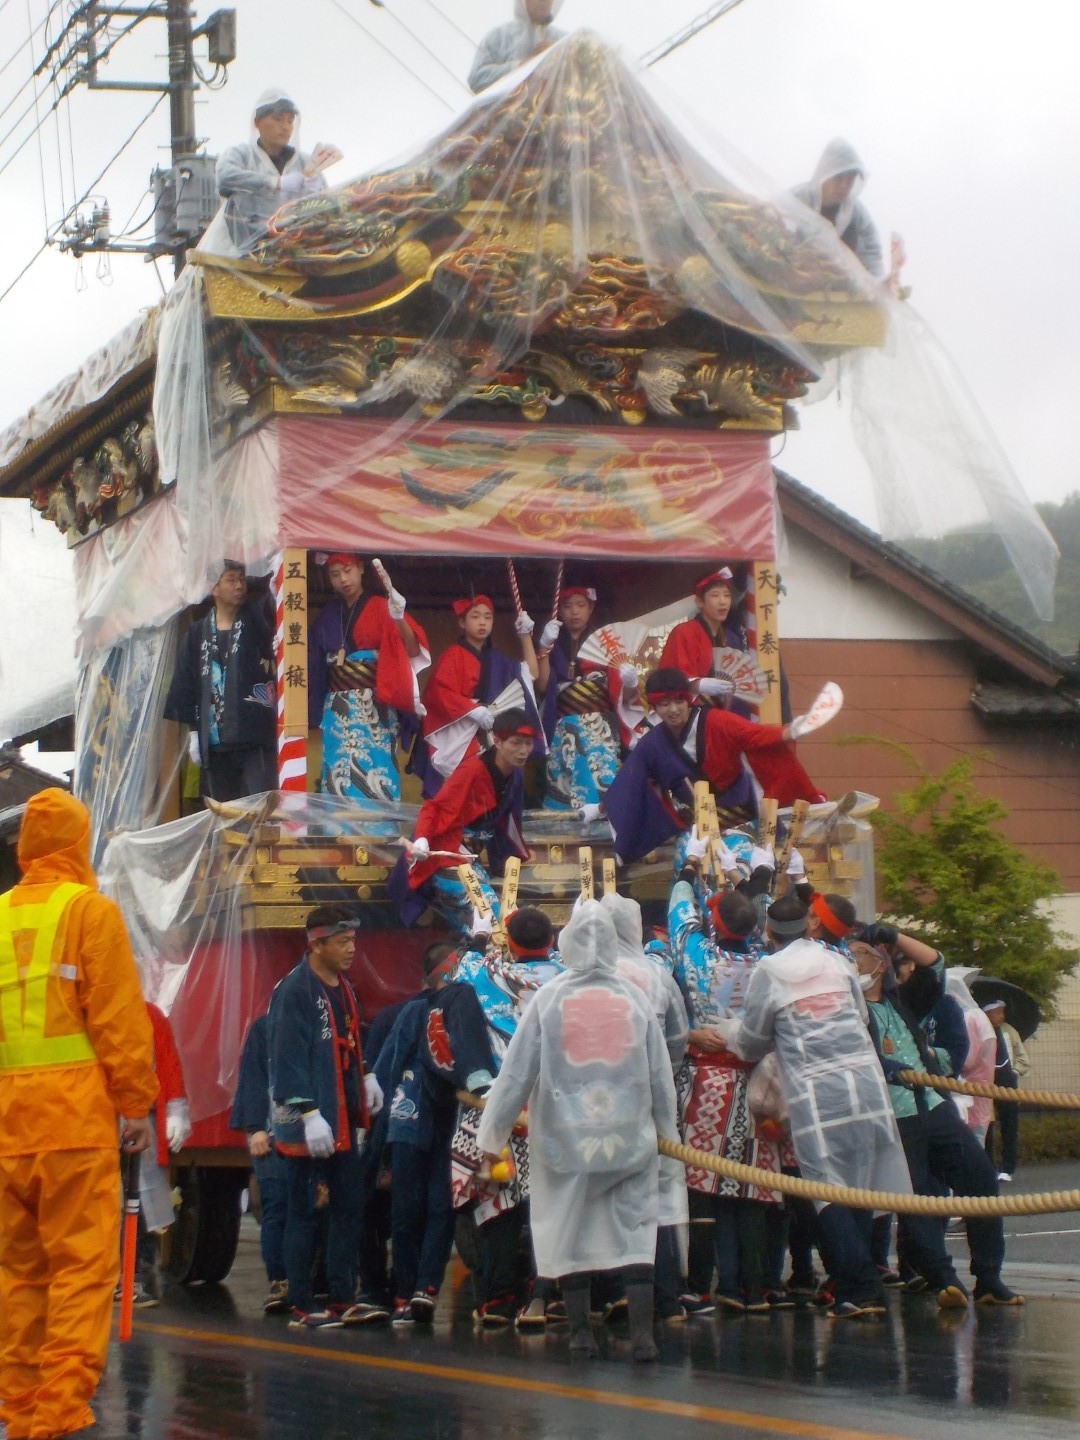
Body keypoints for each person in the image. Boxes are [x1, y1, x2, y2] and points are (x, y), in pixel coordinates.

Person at [0, 789, 158, 1440]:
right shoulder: (88, 913)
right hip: (72, 1123)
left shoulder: (1, 915)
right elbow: (118, 1019)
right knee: (80, 1270)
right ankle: (57, 1413)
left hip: (7, 1130)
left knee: (18, 1275)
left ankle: (18, 1407)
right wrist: (135, 1103)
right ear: (78, 844)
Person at [476, 900, 680, 1361]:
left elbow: (514, 1076)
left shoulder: (548, 999)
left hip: (563, 1141)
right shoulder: (634, 999)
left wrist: (490, 1139)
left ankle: (581, 1333)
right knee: (635, 1228)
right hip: (630, 1138)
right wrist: (669, 1135)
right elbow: (660, 1077)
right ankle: (644, 1336)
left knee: (567, 1228)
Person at [719, 895, 911, 1319]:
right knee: (860, 1182)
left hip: (816, 1093)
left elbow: (752, 1041)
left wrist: (727, 1031)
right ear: (808, 927)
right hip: (864, 1084)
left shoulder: (768, 970)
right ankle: (856, 1282)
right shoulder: (837, 961)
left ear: (767, 933)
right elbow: (860, 1018)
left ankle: (861, 1288)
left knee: (827, 1190)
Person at [852, 929, 1023, 1306]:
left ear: (881, 964)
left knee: (980, 1179)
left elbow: (935, 963)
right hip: (892, 1113)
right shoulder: (848, 1011)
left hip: (932, 1104)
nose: (853, 959)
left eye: (861, 953)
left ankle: (989, 1276)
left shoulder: (905, 1001)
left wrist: (892, 935)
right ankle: (943, 1278)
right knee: (918, 1197)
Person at [667, 846, 789, 1315]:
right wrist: (759, 877)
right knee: (754, 1187)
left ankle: (702, 1284)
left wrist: (690, 870)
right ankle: (752, 1286)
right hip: (759, 1083)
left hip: (706, 1083)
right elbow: (755, 917)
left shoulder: (694, 949)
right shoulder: (765, 960)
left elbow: (680, 916)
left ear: (712, 923)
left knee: (705, 1184)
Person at [267, 904, 384, 1329]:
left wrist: (367, 1072)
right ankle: (301, 1302)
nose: (352, 949)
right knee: (301, 1210)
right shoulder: (294, 991)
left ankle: (340, 1296)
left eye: (353, 940)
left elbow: (352, 1036)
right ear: (317, 944)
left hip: (342, 1120)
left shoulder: (344, 985)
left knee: (350, 1206)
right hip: (309, 1122)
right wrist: (309, 1113)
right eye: (342, 941)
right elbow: (285, 1059)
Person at [448, 906, 564, 1328]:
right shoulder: (569, 978)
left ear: (510, 942)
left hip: (501, 1108)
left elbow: (456, 979)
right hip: (557, 1110)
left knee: (499, 1205)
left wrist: (480, 941)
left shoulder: (485, 976)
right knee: (552, 1207)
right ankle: (548, 1294)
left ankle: (497, 1298)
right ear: (553, 940)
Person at [371, 956, 497, 1325]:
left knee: (442, 1207)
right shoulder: (413, 1012)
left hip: (452, 1122)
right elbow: (387, 1067)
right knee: (407, 1210)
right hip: (410, 1117)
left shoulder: (473, 1003)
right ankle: (402, 1291)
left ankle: (425, 1288)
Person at [603, 668, 830, 863]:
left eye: (679, 701)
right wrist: (600, 808)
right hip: (698, 832)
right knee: (688, 872)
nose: (673, 709)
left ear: (688, 700)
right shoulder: (652, 743)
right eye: (664, 704)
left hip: (742, 823)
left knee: (745, 866)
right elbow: (630, 780)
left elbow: (754, 735)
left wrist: (794, 730)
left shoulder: (716, 721)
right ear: (655, 707)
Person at [390, 708, 535, 939]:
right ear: (496, 741)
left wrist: (510, 859)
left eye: (528, 743)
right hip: (443, 850)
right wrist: (423, 840)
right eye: (516, 743)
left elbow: (510, 821)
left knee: (480, 920)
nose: (523, 751)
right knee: (489, 913)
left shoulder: (515, 774)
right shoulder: (472, 770)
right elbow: (435, 806)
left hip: (468, 853)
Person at [307, 553, 428, 810]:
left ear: (361, 569)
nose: (343, 579)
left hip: (375, 707)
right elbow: (314, 664)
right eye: (335, 574)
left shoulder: (382, 607)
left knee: (377, 772)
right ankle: (340, 837)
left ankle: (378, 837)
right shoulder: (328, 615)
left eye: (348, 570)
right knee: (337, 775)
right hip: (337, 709)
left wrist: (399, 618)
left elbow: (412, 648)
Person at [163, 561, 277, 802]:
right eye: (231, 580)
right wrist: (194, 733)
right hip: (214, 742)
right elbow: (188, 684)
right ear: (214, 588)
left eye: (242, 580)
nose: (239, 586)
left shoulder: (256, 620)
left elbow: (272, 603)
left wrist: (279, 575)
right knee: (223, 813)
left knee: (262, 805)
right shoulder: (196, 634)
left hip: (254, 736)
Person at [420, 594, 543, 796]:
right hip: (460, 730)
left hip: (492, 730)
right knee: (460, 786)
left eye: (488, 617)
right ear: (462, 622)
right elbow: (438, 693)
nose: (482, 622)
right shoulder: (452, 655)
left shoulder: (497, 659)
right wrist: (472, 710)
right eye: (475, 616)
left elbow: (531, 674)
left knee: (491, 787)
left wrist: (525, 636)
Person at [537, 584, 643, 813]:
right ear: (559, 611)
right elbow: (544, 685)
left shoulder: (606, 643)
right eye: (567, 606)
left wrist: (631, 682)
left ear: (590, 608)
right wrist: (544, 648)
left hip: (600, 729)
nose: (574, 612)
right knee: (564, 785)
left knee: (602, 779)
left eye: (580, 605)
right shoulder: (554, 644)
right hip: (563, 726)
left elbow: (624, 697)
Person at [216, 89, 336, 251]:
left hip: (297, 251)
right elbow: (225, 177)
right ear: (257, 122)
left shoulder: (305, 162)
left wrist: (317, 191)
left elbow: (329, 209)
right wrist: (276, 182)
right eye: (278, 119)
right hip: (243, 253)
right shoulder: (241, 154)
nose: (285, 127)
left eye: (289, 121)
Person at [131, 1002, 192, 1307]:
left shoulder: (150, 1014)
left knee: (144, 1202)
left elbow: (168, 1060)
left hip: (142, 1118)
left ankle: (138, 1273)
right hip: (103, 1116)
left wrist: (176, 1108)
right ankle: (127, 1276)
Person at [230, 1013, 290, 1314]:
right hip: (272, 1133)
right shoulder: (266, 1027)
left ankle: (305, 1280)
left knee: (307, 1210)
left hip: (304, 1132)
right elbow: (253, 1077)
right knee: (276, 1206)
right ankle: (279, 1281)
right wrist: (255, 1128)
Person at [791, 138, 884, 278]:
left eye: (850, 179)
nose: (844, 185)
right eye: (839, 177)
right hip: (789, 282)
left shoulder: (856, 214)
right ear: (825, 171)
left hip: (836, 292)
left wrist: (880, 286)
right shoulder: (797, 199)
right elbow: (767, 223)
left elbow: (872, 254)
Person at [659, 568, 746, 706]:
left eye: (727, 595)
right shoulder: (683, 632)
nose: (723, 601)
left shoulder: (731, 639)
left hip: (720, 713)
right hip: (688, 713)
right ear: (699, 602)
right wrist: (698, 685)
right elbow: (669, 679)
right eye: (715, 595)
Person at [468, 0, 566, 93]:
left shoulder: (565, 41)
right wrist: (520, 67)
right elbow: (476, 80)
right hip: (505, 110)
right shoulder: (499, 37)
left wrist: (563, 58)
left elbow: (577, 88)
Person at [983, 999, 1031, 1183]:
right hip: (985, 1082)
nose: (1001, 1016)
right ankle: (988, 1166)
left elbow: (1023, 1059)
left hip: (1007, 1081)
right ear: (987, 1013)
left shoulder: (1009, 1031)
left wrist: (1013, 1071)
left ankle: (1007, 1167)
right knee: (986, 1125)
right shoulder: (980, 1029)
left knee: (1010, 1125)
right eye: (997, 1012)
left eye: (1002, 1012)